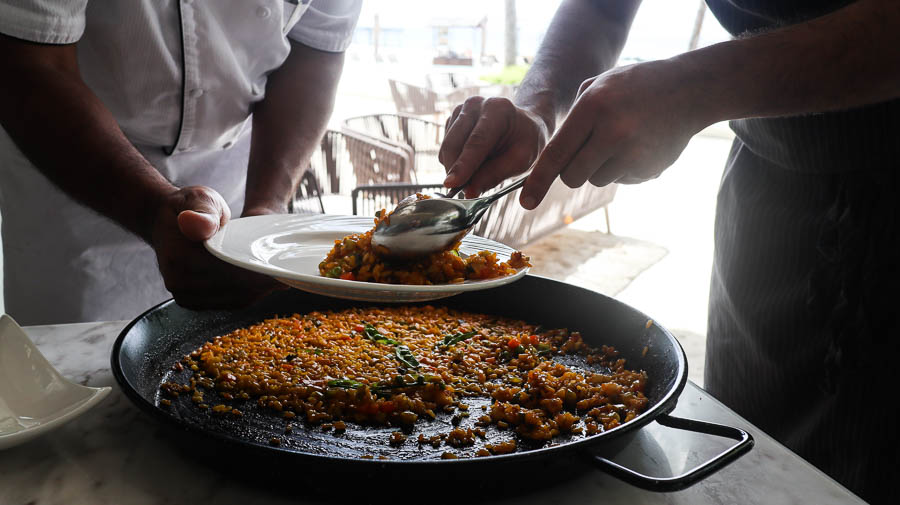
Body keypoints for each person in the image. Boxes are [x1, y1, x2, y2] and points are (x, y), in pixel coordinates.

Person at [438, 1, 899, 503]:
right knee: (746, 454)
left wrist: (693, 86)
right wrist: (538, 106)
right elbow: (602, 9)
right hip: (768, 185)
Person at [0, 0, 361, 326]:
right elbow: (30, 61)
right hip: (78, 163)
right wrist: (150, 211)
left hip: (239, 166)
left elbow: (317, 47)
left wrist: (267, 209)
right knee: (77, 363)